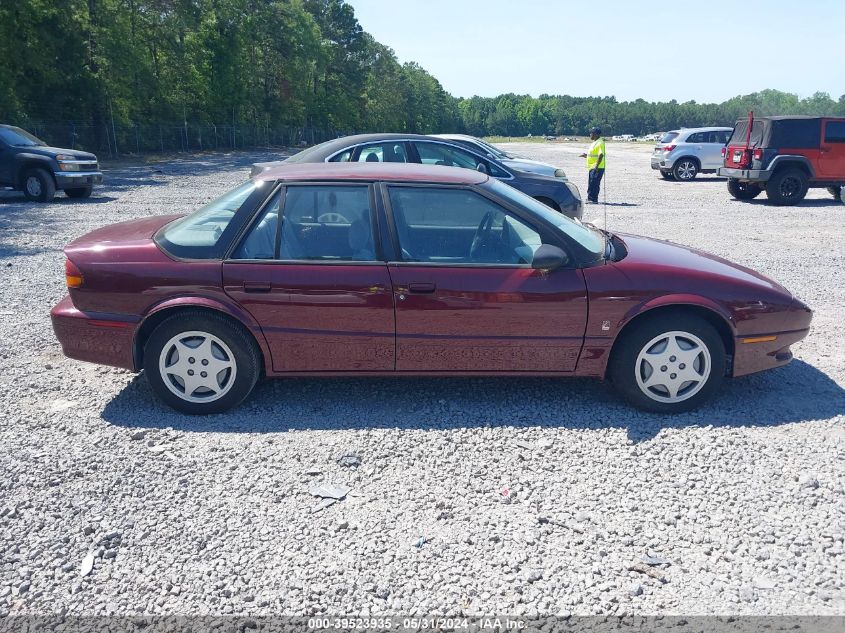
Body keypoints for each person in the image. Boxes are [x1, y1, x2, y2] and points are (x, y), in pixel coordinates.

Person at [579, 127, 606, 204]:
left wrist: (596, 167)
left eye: (591, 133)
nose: (590, 134)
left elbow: (600, 155)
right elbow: (594, 155)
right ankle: (590, 198)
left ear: (596, 134)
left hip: (597, 167)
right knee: (591, 182)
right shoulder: (595, 142)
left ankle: (593, 199)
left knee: (594, 183)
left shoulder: (600, 142)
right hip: (592, 167)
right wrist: (586, 156)